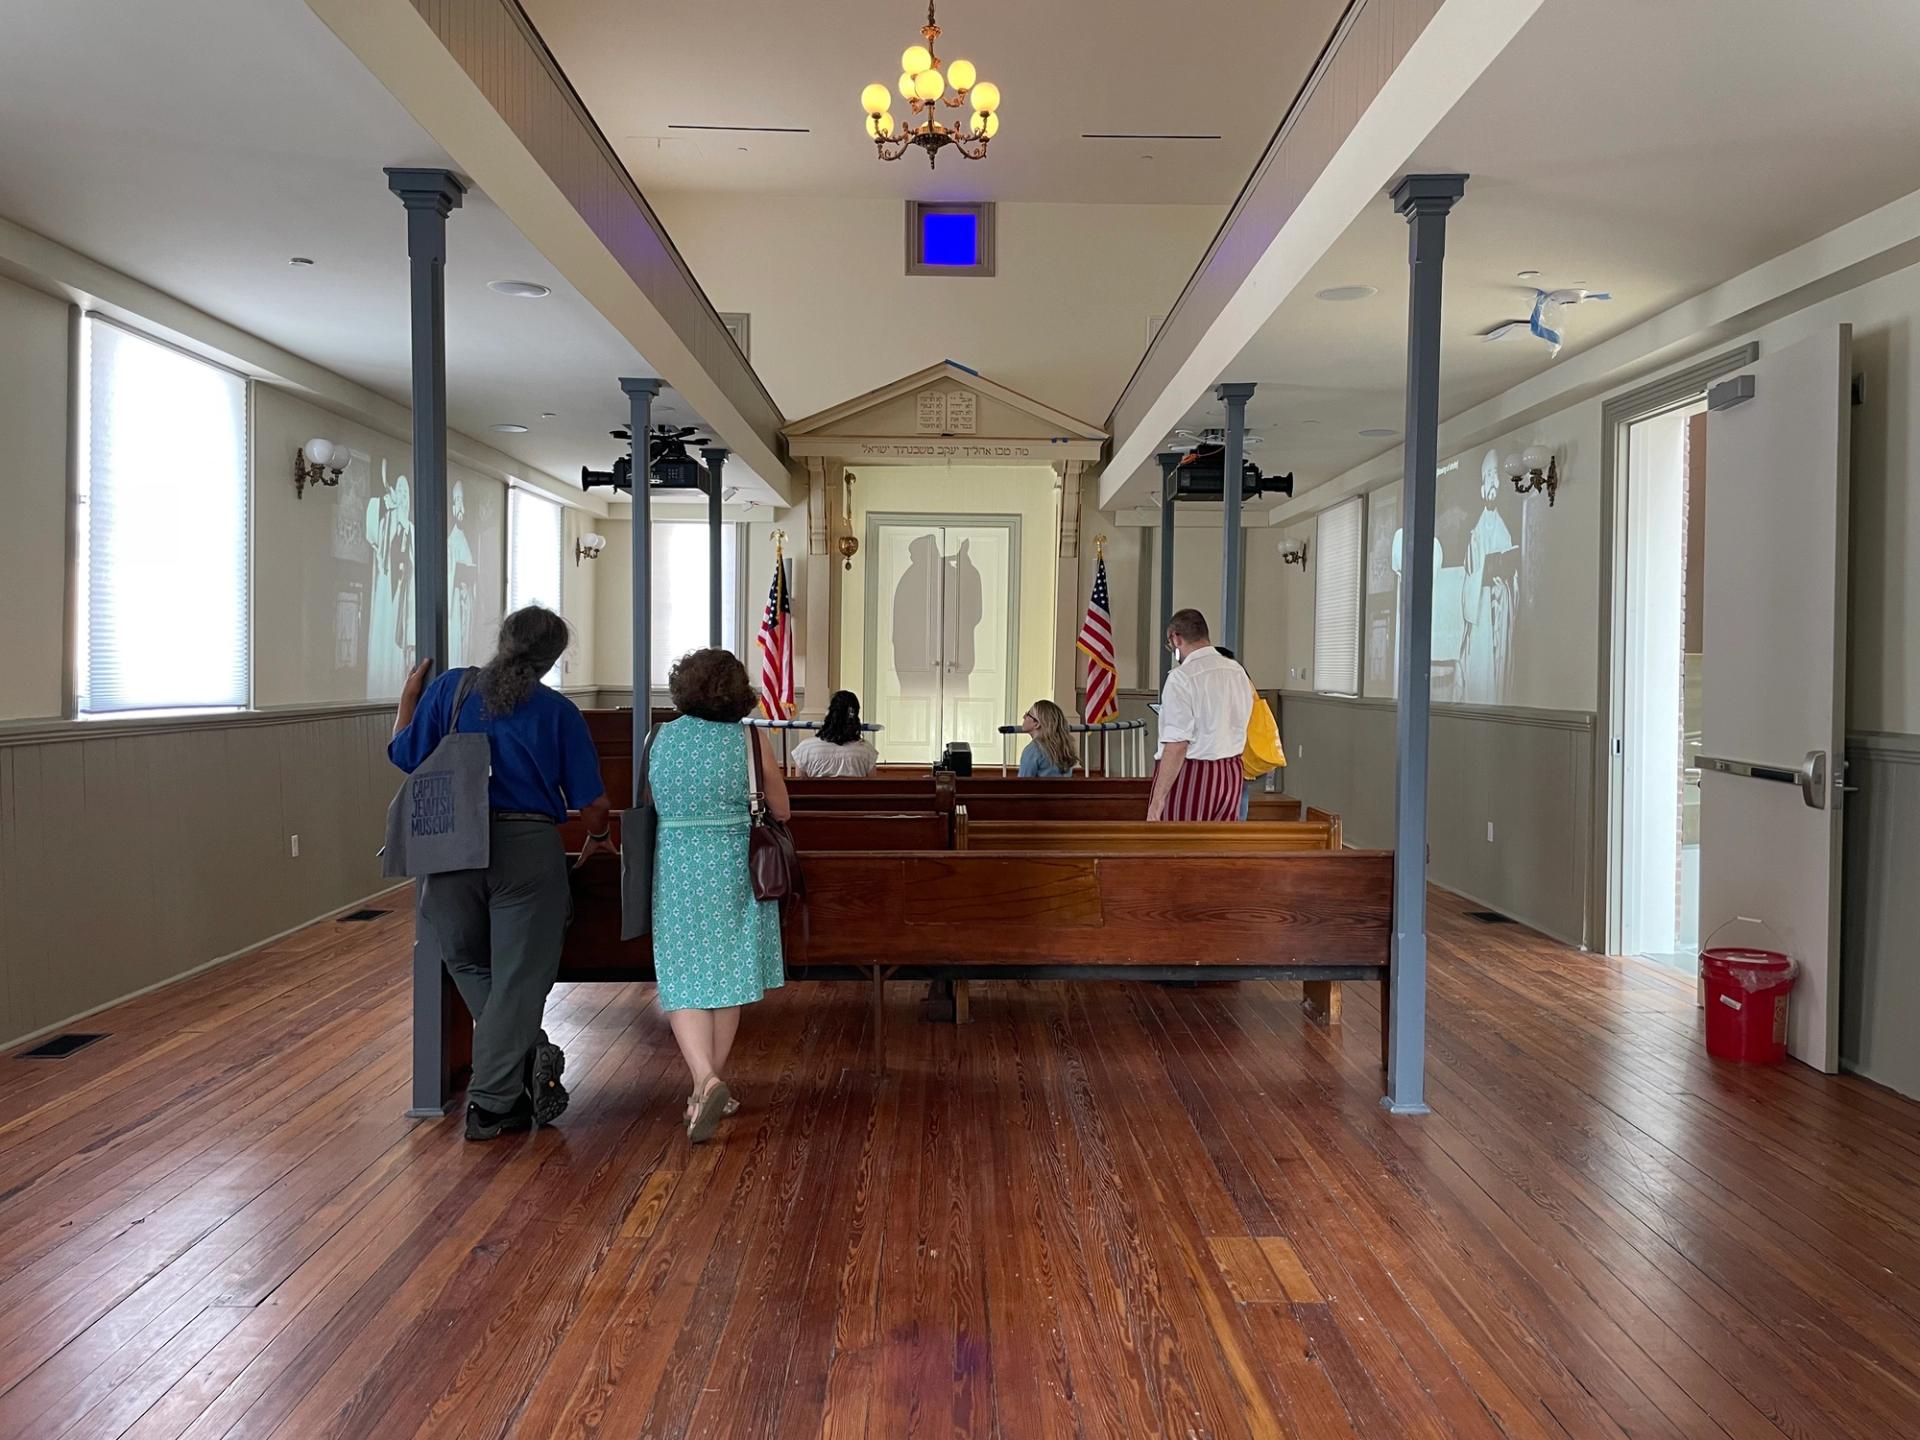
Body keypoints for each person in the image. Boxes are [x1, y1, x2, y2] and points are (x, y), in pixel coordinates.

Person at [388, 605, 611, 1141]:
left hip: (449, 846)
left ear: (502, 640)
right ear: (553, 659)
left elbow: (402, 755)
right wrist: (599, 839)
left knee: (464, 957)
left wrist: (407, 698)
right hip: (526, 849)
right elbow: (593, 805)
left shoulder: (449, 691)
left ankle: (515, 1075)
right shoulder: (558, 712)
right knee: (518, 976)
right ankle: (491, 1105)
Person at [650, 648, 789, 1143]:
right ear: (737, 692)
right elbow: (782, 809)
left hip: (676, 865)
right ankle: (706, 1085)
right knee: (728, 974)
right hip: (734, 865)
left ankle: (703, 1085)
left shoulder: (662, 738)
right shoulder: (751, 739)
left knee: (684, 974)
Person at [1147, 609, 1253, 822]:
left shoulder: (1181, 677)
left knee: (1179, 846)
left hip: (1193, 774)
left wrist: (1157, 801)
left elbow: (1177, 744)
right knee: (1218, 848)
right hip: (1231, 772)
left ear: (1176, 638)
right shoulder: (1237, 671)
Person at [1215, 648, 1285, 820]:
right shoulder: (1243, 678)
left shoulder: (1231, 680)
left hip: (1232, 752)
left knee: (1234, 795)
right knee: (1240, 792)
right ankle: (1239, 830)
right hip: (1241, 753)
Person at [790, 690, 878, 777]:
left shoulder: (804, 750)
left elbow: (799, 788)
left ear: (829, 714)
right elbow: (873, 788)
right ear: (855, 718)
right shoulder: (867, 751)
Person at [1018, 698, 1078, 777]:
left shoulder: (1032, 751)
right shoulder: (1063, 749)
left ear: (1037, 724)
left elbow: (1022, 786)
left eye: (1028, 714)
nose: (1024, 717)